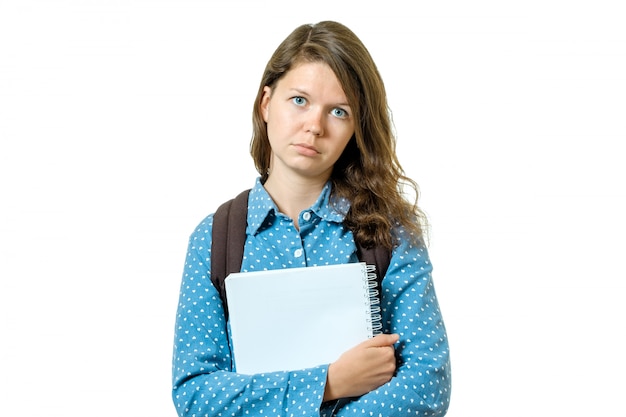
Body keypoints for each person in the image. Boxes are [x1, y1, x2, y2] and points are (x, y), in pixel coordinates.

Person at [171, 20, 451, 416]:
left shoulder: (389, 234)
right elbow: (197, 396)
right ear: (266, 102)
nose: (314, 126)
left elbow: (427, 385)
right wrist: (331, 381)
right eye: (299, 100)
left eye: (338, 111)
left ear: (356, 128)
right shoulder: (215, 238)